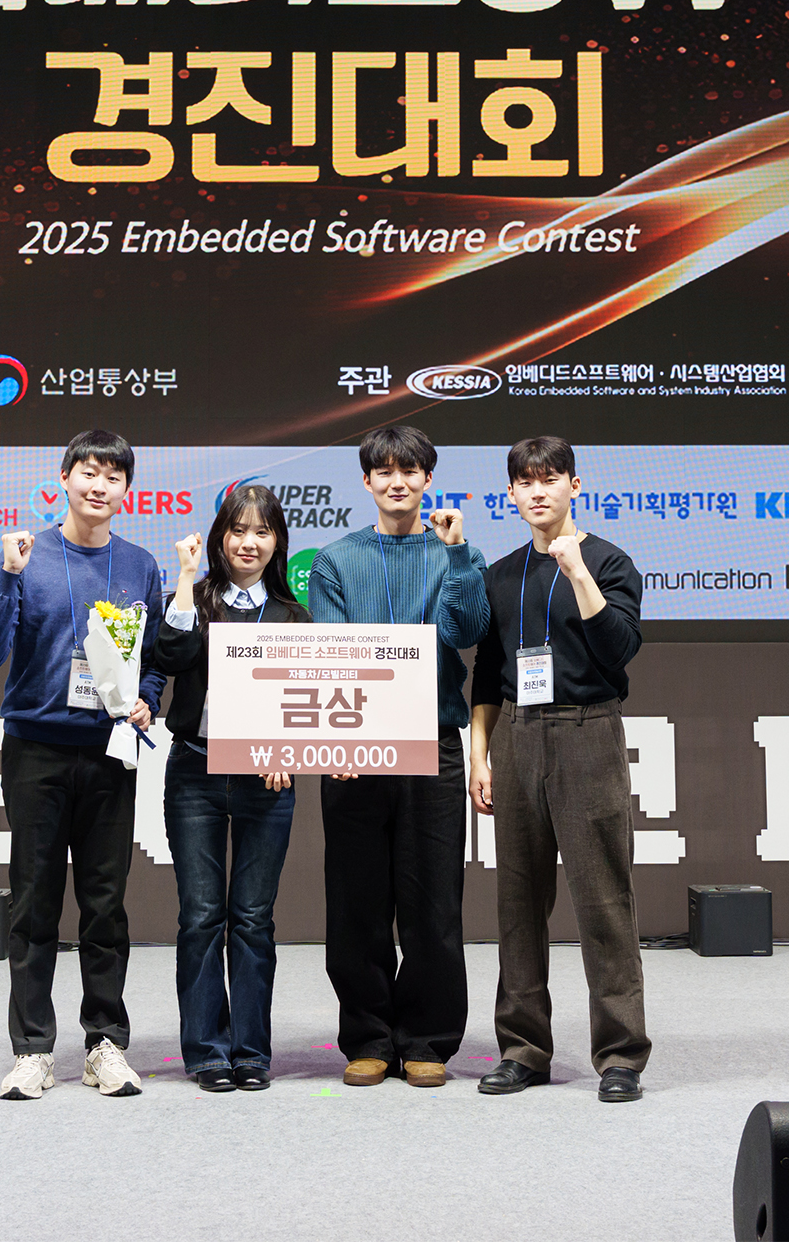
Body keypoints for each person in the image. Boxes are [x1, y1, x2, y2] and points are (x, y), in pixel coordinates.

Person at [0, 429, 164, 1101]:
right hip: (37, 751)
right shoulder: (27, 555)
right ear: (64, 479)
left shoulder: (139, 565)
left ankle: (105, 1044)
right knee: (34, 903)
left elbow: (153, 660)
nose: (99, 485)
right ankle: (32, 1050)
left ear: (127, 489)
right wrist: (6, 576)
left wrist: (148, 699)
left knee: (106, 906)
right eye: (88, 472)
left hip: (110, 752)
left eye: (113, 475)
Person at [307, 425, 489, 1088]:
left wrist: (459, 556)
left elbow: (465, 631)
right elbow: (333, 654)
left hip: (431, 744)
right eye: (383, 471)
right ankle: (368, 1037)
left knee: (433, 903)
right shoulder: (334, 560)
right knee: (356, 903)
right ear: (366, 481)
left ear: (427, 479)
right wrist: (341, 738)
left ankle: (427, 1039)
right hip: (353, 745)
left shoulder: (455, 553)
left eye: (410, 471)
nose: (397, 482)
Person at [468, 436, 650, 1102]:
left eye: (550, 479)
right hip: (517, 735)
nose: (538, 491)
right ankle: (523, 1049)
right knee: (518, 903)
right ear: (511, 494)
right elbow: (488, 672)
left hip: (587, 731)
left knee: (604, 901)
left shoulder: (609, 561)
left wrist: (577, 574)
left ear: (575, 485)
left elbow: (619, 649)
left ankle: (621, 1055)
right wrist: (480, 755)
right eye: (526, 482)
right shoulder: (501, 574)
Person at [154, 485, 312, 1093]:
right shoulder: (195, 600)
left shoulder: (293, 616)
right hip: (194, 773)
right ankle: (206, 1052)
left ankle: (251, 1051)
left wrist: (287, 751)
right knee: (200, 916)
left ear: (278, 542)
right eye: (238, 530)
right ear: (221, 537)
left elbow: (305, 704)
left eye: (262, 532)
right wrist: (186, 578)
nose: (249, 543)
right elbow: (171, 655)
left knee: (252, 918)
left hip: (266, 784)